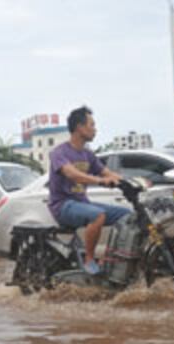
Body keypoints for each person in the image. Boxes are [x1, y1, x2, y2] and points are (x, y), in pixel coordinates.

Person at [47, 106, 130, 275]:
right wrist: (100, 181)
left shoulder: (88, 154)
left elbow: (107, 172)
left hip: (81, 203)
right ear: (79, 127)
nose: (95, 129)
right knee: (98, 215)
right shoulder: (59, 152)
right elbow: (72, 174)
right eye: (92, 125)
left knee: (127, 215)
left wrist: (131, 182)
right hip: (62, 206)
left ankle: (111, 257)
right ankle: (89, 259)